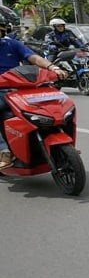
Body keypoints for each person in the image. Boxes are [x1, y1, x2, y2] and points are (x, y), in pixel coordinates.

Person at [0, 18, 68, 169]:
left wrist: (52, 68)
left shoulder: (12, 44)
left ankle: (61, 141)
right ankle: (4, 151)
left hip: (18, 89)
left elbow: (34, 58)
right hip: (0, 92)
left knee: (49, 107)